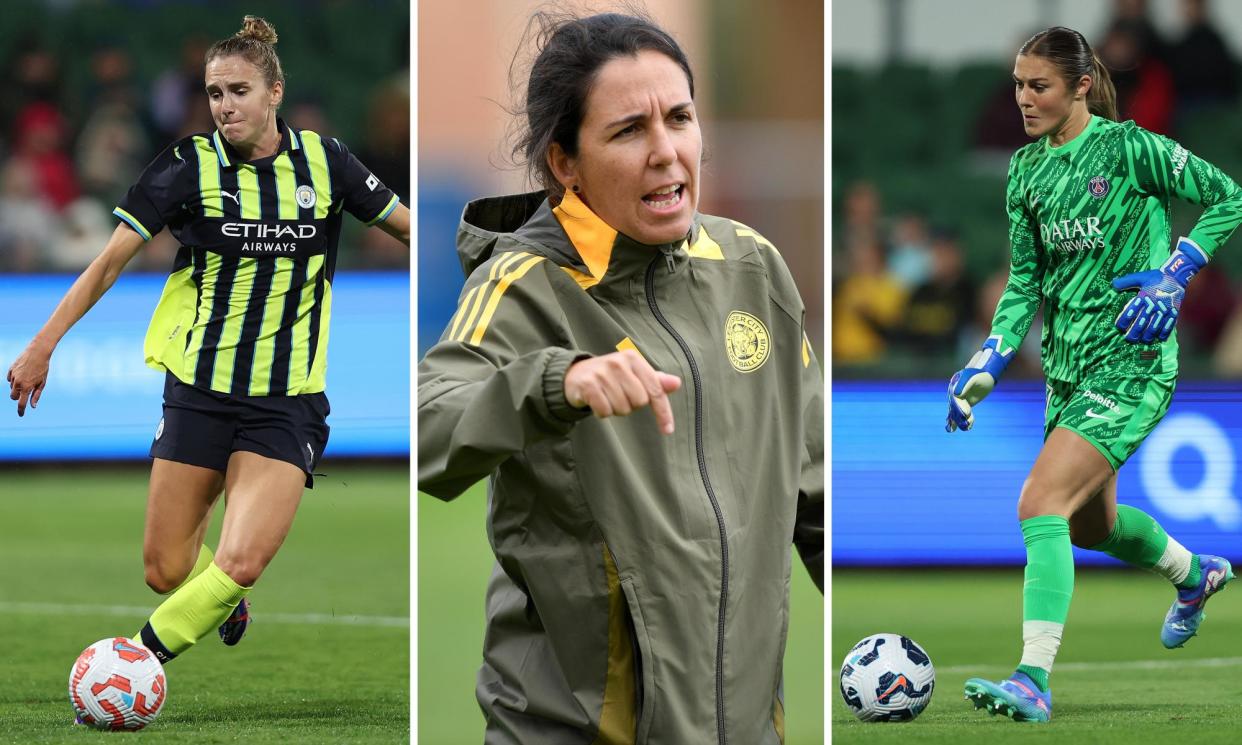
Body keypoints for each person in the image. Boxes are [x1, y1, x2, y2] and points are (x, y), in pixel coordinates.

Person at [417, 11, 822, 744]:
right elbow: (427, 423)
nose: (666, 152)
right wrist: (554, 384)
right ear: (565, 163)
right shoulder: (525, 284)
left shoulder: (753, 268)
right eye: (629, 130)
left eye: (680, 117)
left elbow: (817, 486)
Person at [6, 16, 408, 674]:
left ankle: (133, 664)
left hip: (287, 400)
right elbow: (107, 263)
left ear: (274, 91)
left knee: (240, 561)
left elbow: (407, 227)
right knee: (165, 570)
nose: (224, 106)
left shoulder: (327, 162)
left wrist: (485, 261)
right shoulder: (187, 166)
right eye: (215, 93)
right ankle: (222, 601)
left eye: (239, 91)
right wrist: (43, 344)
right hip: (200, 391)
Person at [946, 26, 1242, 723]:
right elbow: (1024, 283)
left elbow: (1228, 194)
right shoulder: (1025, 170)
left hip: (1133, 363)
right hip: (1068, 372)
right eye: (1018, 84)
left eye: (1038, 85)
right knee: (1088, 527)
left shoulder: (1129, 147)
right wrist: (985, 362)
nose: (1023, 98)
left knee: (1038, 502)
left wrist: (1177, 273)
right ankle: (1193, 573)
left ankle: (1032, 677)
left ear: (1081, 86)